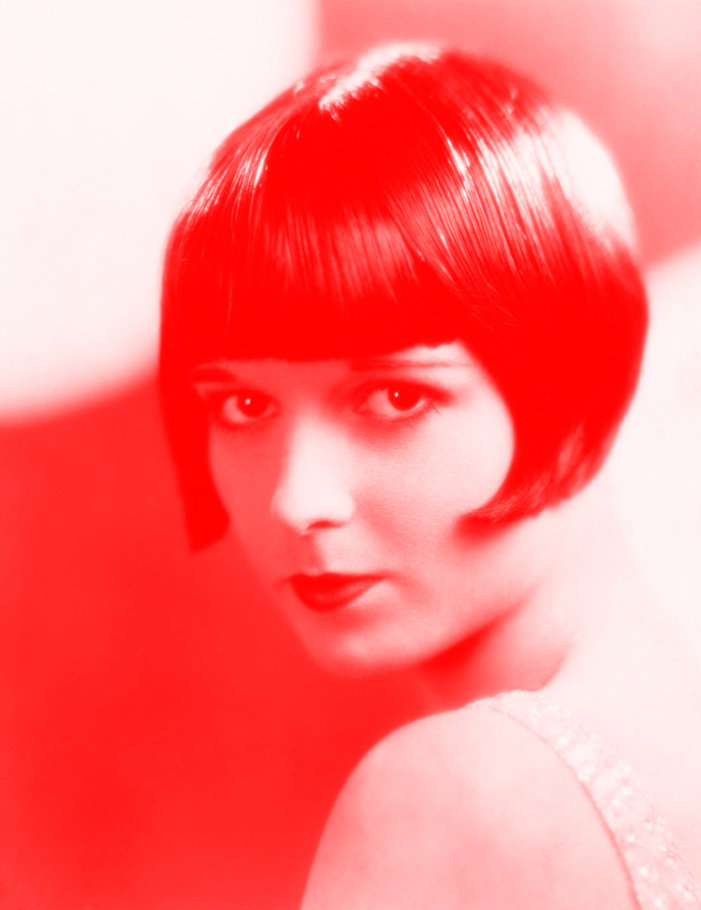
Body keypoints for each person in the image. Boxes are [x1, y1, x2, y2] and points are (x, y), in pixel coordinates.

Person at [159, 43, 701, 909]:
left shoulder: (451, 792)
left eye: (394, 397)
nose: (297, 500)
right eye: (244, 405)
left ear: (574, 382)